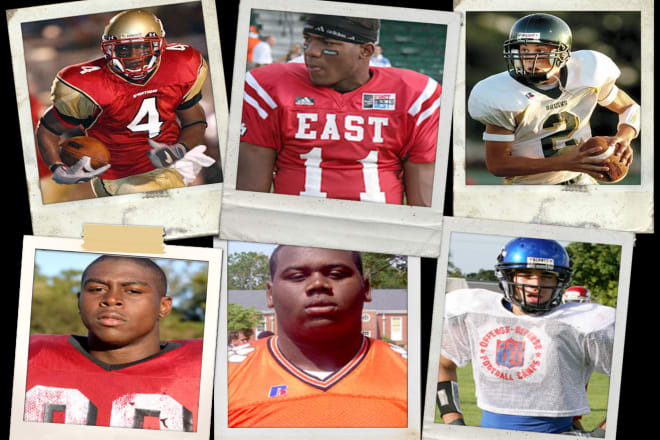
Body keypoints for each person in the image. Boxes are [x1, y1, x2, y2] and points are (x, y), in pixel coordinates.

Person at [238, 14, 442, 206]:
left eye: (328, 43)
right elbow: (248, 197)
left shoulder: (415, 95)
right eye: (308, 39)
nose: (310, 51)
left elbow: (425, 205)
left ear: (366, 51)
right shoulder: (268, 88)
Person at [436, 238, 612, 437]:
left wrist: (600, 433)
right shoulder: (477, 313)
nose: (536, 284)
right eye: (526, 275)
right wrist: (453, 421)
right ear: (507, 276)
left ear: (560, 280)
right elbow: (442, 365)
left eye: (547, 275)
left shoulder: (581, 322)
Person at [35, 9, 216, 197]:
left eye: (143, 47)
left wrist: (179, 149)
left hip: (167, 169)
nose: (134, 56)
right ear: (107, 49)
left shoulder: (180, 66)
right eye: (123, 49)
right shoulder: (87, 84)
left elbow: (194, 121)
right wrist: (58, 168)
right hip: (118, 177)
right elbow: (48, 130)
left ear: (160, 45)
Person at [228, 245, 408, 427]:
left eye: (336, 274)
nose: (317, 284)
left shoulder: (411, 372)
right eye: (297, 276)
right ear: (270, 295)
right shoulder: (222, 375)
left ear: (366, 288)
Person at [24, 255, 202, 431]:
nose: (111, 299)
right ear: (79, 300)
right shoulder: (30, 354)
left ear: (164, 306)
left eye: (133, 291)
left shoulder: (207, 366)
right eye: (96, 289)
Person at [468, 13, 640, 185]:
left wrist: (624, 137)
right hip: (529, 187)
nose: (529, 59)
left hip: (580, 180)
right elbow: (498, 165)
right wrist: (565, 163)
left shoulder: (588, 71)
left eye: (540, 51)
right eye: (524, 50)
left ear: (562, 52)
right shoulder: (501, 93)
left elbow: (629, 108)